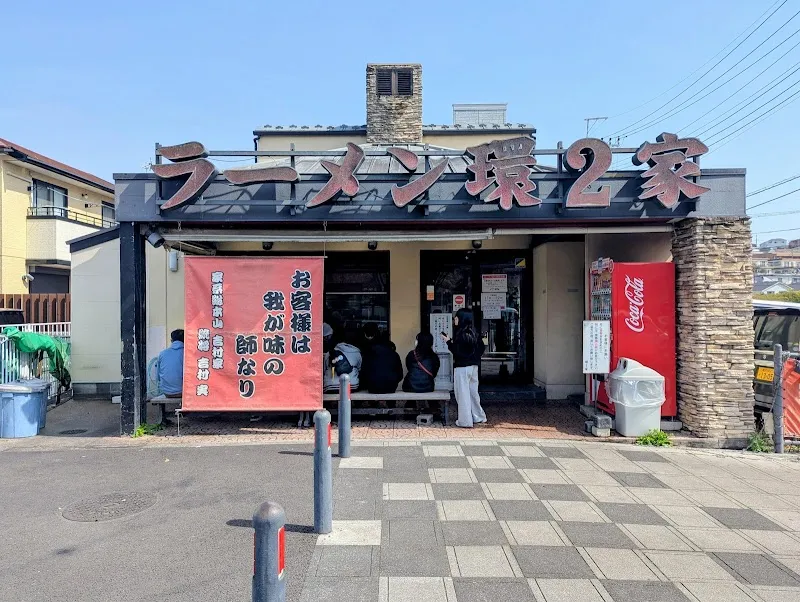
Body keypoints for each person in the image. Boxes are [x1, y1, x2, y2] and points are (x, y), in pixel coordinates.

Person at [442, 309, 486, 428]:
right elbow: (481, 348)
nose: (454, 320)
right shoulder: (474, 332)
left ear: (462, 319)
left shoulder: (461, 334)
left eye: (456, 318)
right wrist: (474, 358)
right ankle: (479, 416)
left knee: (462, 394)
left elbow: (458, 352)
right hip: (473, 367)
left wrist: (448, 342)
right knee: (473, 393)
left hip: (462, 368)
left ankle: (465, 420)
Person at [360, 323, 403, 394]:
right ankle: (391, 404)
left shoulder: (369, 353)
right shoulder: (394, 354)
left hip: (372, 387)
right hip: (391, 387)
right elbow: (400, 374)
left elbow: (364, 372)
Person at [157, 329, 184, 397]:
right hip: (184, 392)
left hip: (167, 392)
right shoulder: (187, 354)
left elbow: (158, 376)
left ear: (171, 341)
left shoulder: (162, 354)